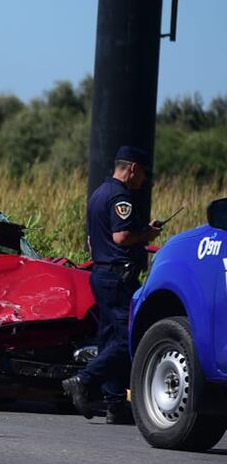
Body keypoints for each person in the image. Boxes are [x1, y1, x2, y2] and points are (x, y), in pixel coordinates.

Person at [63, 145, 163, 424]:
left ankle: (115, 403)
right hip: (118, 277)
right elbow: (121, 237)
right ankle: (84, 380)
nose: (143, 180)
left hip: (101, 273)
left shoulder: (98, 194)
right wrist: (148, 233)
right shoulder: (121, 196)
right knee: (125, 337)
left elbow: (94, 240)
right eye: (142, 173)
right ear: (132, 168)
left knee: (109, 337)